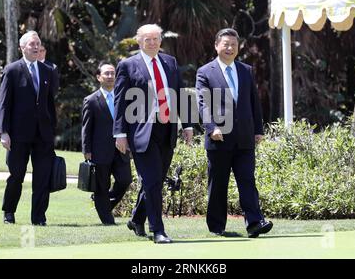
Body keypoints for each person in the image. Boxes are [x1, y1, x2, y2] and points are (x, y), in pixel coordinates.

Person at [113, 24, 193, 244]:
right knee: (152, 180)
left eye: (156, 38)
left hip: (166, 129)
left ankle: (137, 218)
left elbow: (180, 94)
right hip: (140, 131)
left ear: (160, 40)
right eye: (147, 39)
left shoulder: (170, 62)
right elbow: (120, 101)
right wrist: (119, 133)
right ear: (139, 41)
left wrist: (187, 125)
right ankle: (158, 230)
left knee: (155, 180)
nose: (152, 43)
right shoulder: (127, 65)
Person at [196, 28, 272, 238]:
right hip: (219, 138)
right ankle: (217, 225)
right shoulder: (205, 72)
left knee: (247, 180)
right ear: (217, 45)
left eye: (234, 45)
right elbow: (202, 104)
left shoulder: (246, 70)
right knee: (218, 184)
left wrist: (258, 129)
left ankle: (255, 223)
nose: (230, 48)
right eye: (226, 44)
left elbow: (253, 101)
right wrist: (211, 128)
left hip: (245, 137)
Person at [0, 30, 57, 226]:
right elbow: (4, 104)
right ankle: (9, 212)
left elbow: (49, 104)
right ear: (22, 47)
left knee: (42, 178)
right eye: (31, 44)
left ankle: (38, 217)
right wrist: (4, 132)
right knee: (16, 176)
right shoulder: (12, 70)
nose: (35, 47)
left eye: (38, 43)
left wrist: (52, 130)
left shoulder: (48, 70)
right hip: (18, 135)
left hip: (43, 135)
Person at [81, 62, 132, 225]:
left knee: (125, 180)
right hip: (99, 151)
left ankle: (103, 205)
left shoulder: (123, 98)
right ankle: (107, 219)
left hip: (121, 148)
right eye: (107, 74)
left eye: (112, 73)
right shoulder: (90, 100)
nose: (110, 76)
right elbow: (86, 128)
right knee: (101, 186)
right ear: (98, 77)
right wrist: (86, 150)